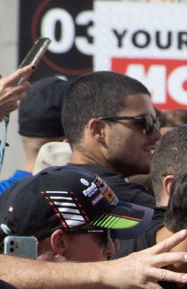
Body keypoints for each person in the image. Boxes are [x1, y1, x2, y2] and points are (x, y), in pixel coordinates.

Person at [59, 71, 160, 209]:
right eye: (144, 122)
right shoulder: (130, 203)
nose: (156, 134)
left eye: (156, 122)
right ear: (98, 130)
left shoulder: (41, 188)